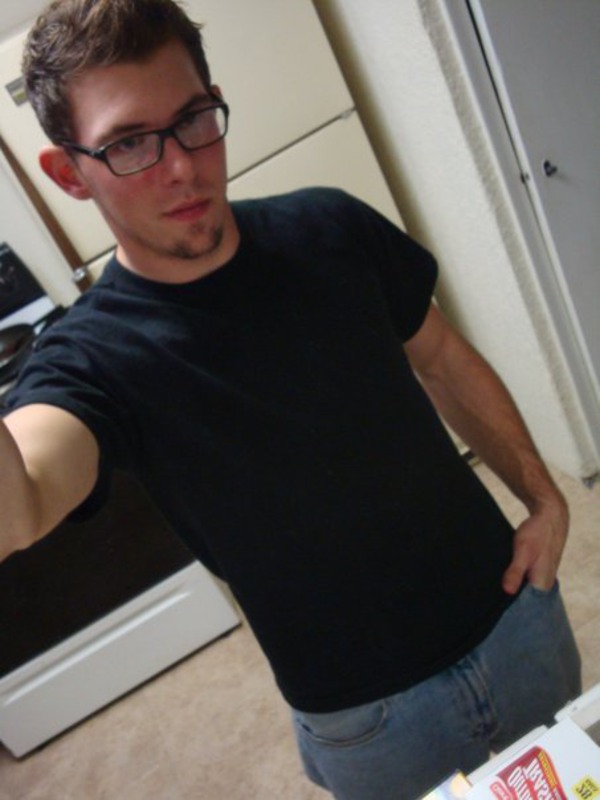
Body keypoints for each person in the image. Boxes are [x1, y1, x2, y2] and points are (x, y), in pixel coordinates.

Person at [1, 1, 581, 797]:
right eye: (129, 142)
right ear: (69, 172)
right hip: (372, 720)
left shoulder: (331, 226)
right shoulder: (90, 359)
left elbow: (444, 359)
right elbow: (19, 510)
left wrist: (544, 497)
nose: (181, 167)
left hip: (517, 617)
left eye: (193, 120)